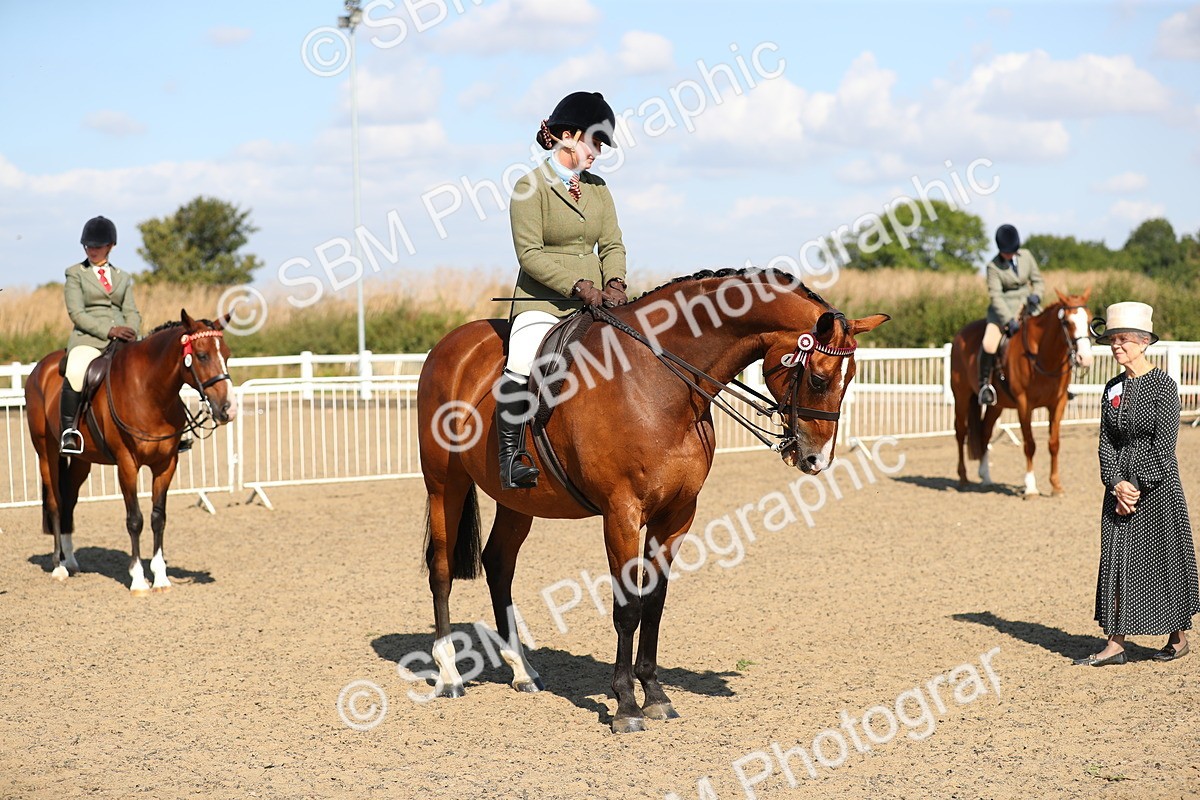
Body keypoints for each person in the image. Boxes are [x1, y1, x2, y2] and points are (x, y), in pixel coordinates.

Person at [497, 91, 628, 489]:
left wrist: (616, 282)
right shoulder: (528, 187)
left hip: (595, 303)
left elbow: (612, 244)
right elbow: (529, 254)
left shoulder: (599, 188)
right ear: (568, 136)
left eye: (602, 144)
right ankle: (511, 457)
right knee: (522, 360)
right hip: (543, 301)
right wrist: (577, 285)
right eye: (596, 141)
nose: (599, 152)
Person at [1074, 302, 1200, 666]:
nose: (1116, 345)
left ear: (1144, 342)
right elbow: (1105, 443)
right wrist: (1115, 483)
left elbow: (1165, 446)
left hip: (1158, 487)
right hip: (1118, 489)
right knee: (1115, 557)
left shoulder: (1163, 386)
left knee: (1163, 560)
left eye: (1124, 339)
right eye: (1113, 339)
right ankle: (1115, 643)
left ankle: (1178, 635)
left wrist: (1136, 485)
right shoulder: (1112, 388)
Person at [61, 215, 141, 454]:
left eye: (97, 246)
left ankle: (173, 430)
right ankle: (69, 431)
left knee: (153, 367)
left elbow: (132, 311)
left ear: (110, 246)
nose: (92, 250)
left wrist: (132, 331)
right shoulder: (75, 273)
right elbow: (77, 312)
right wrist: (109, 330)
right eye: (88, 246)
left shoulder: (123, 277)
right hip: (89, 340)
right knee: (75, 371)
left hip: (123, 339)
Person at [978, 223, 1044, 405]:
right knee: (989, 344)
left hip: (1028, 308)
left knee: (1049, 333)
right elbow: (995, 296)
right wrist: (1008, 320)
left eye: (1012, 251)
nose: (1010, 255)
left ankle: (1059, 384)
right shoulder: (993, 267)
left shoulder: (1027, 256)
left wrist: (1037, 296)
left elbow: (1038, 281)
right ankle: (985, 386)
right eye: (1007, 252)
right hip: (1002, 312)